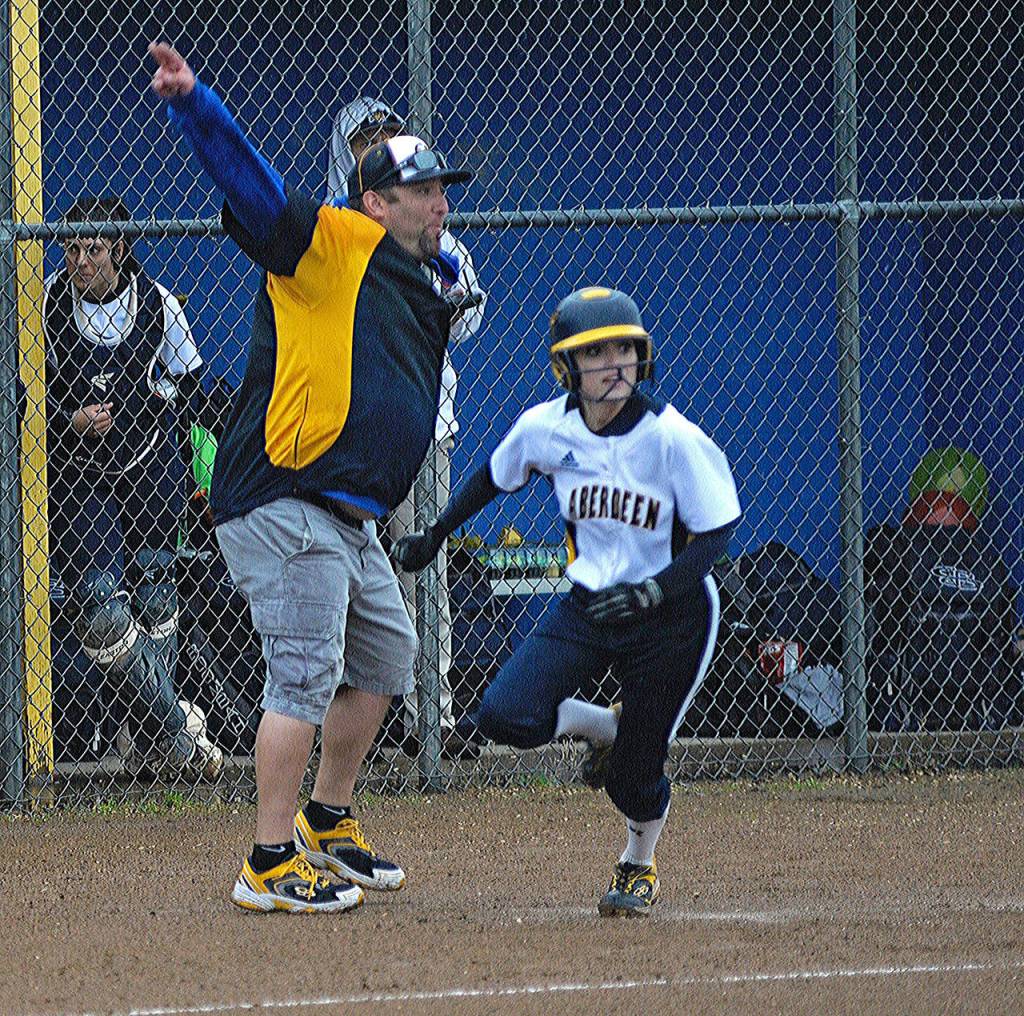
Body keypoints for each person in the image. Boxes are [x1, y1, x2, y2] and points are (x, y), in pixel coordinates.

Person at [148, 42, 474, 913]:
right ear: (375, 201)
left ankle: (327, 818)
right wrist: (195, 103)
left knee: (386, 654)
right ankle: (266, 858)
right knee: (301, 671)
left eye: (445, 189)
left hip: (344, 511)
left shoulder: (420, 272)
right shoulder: (331, 242)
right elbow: (252, 185)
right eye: (426, 190)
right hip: (283, 496)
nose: (444, 203)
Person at [395, 286, 741, 916]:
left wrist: (657, 589)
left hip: (673, 613)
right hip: (589, 603)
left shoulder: (671, 439)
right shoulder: (546, 427)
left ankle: (638, 862)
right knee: (503, 716)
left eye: (624, 351)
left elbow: (717, 531)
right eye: (595, 353)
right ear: (567, 367)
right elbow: (494, 477)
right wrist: (434, 534)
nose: (614, 365)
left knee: (632, 775)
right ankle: (602, 725)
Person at [327, 97, 487, 757]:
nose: (379, 146)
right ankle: (354, 721)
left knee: (423, 575)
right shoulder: (331, 231)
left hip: (421, 429)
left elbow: (468, 312)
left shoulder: (436, 234)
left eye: (388, 136)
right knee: (339, 581)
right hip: (345, 434)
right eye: (366, 139)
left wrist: (431, 301)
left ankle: (433, 719)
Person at [43, 194, 222, 781]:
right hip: (82, 476)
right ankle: (179, 727)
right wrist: (69, 419)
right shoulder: (47, 304)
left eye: (93, 247)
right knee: (101, 613)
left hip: (150, 469)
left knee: (155, 603)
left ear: (120, 249)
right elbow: (27, 392)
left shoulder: (158, 305)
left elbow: (194, 389)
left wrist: (215, 469)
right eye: (71, 248)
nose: (80, 260)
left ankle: (155, 751)